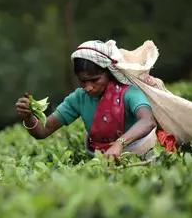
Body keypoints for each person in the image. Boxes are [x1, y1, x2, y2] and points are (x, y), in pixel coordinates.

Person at [15, 40, 160, 160]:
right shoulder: (79, 99)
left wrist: (119, 143)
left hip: (143, 155)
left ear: (108, 72)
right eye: (82, 81)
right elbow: (43, 131)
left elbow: (148, 121)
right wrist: (28, 117)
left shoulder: (129, 93)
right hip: (102, 160)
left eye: (94, 80)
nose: (88, 87)